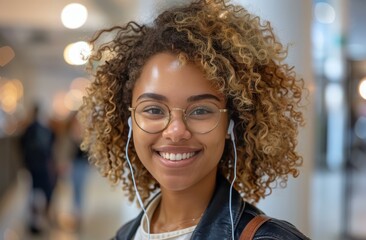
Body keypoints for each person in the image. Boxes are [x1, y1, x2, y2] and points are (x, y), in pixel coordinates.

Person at [79, 0, 310, 239]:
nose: (176, 131)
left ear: (231, 124)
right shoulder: (124, 235)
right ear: (128, 121)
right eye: (154, 110)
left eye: (200, 110)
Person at [20, 104, 56, 234]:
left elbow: (22, 145)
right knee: (44, 193)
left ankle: (35, 222)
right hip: (42, 166)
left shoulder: (28, 129)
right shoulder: (44, 129)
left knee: (34, 194)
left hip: (32, 166)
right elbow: (50, 147)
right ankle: (41, 220)